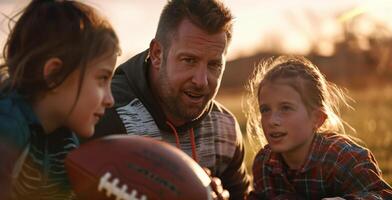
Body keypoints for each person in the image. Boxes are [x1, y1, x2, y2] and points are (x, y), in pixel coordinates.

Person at [93, 0, 250, 199]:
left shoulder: (224, 128)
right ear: (157, 54)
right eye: (189, 60)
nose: (201, 81)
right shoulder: (104, 112)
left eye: (214, 65)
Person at [0, 0, 120, 199]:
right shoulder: (7, 126)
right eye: (102, 79)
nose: (110, 100)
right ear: (54, 75)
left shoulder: (64, 140)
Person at [245, 56, 392, 199]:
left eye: (285, 108)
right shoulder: (265, 163)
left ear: (317, 118)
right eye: (265, 110)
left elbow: (385, 196)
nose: (272, 120)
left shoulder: (343, 158)